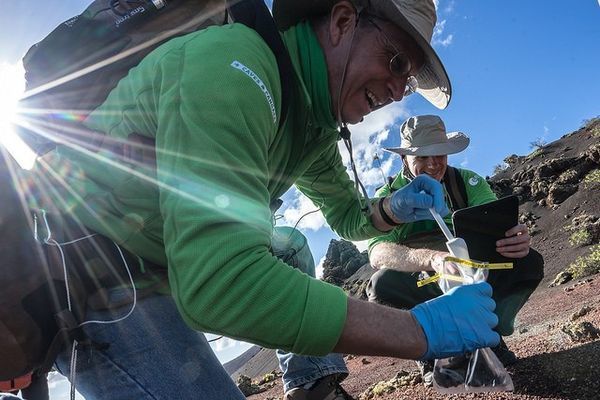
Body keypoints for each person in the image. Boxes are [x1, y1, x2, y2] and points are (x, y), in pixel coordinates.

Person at [6, 1, 501, 400]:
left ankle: (313, 385)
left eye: (407, 79)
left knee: (289, 246)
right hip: (88, 268)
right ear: (342, 21)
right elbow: (220, 283)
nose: (396, 90)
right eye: (395, 62)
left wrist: (394, 207)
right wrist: (421, 331)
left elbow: (348, 217)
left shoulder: (312, 123)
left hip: (160, 253)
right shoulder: (231, 69)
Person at [366, 115, 544, 386]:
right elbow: (377, 253)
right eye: (422, 157)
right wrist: (433, 259)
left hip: (472, 271)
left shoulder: (467, 182)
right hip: (422, 276)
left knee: (527, 262)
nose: (433, 164)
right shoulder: (387, 197)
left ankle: (490, 332)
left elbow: (495, 226)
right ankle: (427, 350)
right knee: (381, 286)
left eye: (439, 154)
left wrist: (514, 237)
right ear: (404, 159)